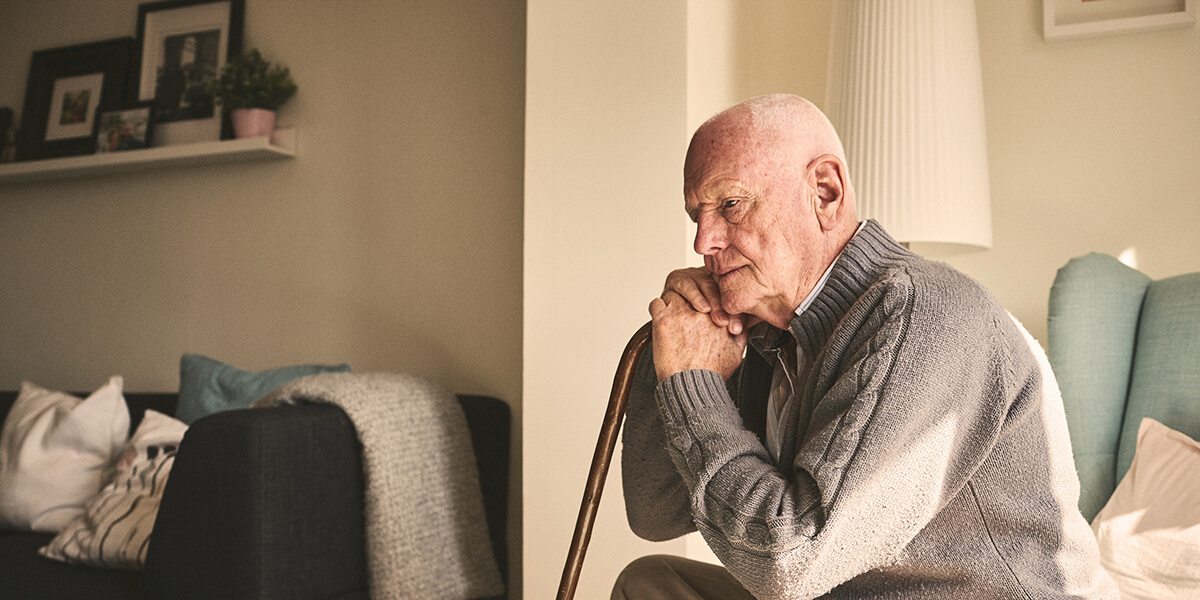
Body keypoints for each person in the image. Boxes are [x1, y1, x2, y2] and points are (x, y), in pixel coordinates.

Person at [613, 94, 1117, 600]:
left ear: (825, 192)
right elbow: (656, 511)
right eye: (697, 215)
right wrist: (678, 345)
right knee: (651, 583)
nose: (703, 241)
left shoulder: (926, 313)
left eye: (730, 205)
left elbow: (789, 561)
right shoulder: (770, 330)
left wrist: (693, 384)